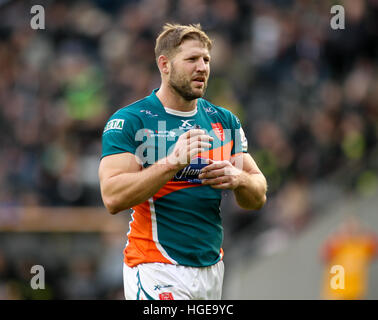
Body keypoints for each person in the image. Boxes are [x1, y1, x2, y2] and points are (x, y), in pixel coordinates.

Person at [98, 23, 267, 300]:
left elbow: (257, 195)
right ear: (164, 65)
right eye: (191, 59)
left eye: (206, 60)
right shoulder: (130, 121)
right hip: (156, 267)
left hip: (211, 269)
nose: (202, 67)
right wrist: (173, 161)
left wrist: (240, 180)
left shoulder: (224, 121)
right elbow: (112, 197)